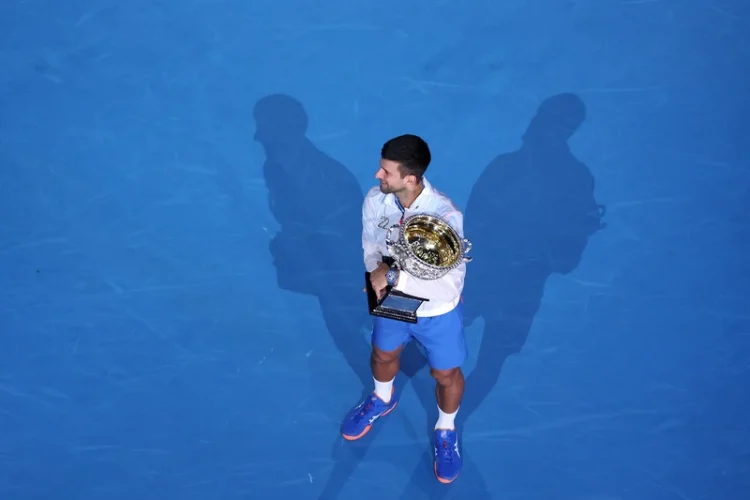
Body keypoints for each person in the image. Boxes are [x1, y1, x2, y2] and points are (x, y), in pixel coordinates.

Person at [340, 134, 468, 484]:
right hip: (392, 301)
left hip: (436, 311)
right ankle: (382, 398)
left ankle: (446, 429)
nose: (377, 176)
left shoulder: (445, 217)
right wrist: (376, 273)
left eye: (386, 171)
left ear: (410, 179)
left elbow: (448, 285)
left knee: (446, 375)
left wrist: (392, 275)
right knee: (382, 355)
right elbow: (371, 243)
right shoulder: (376, 199)